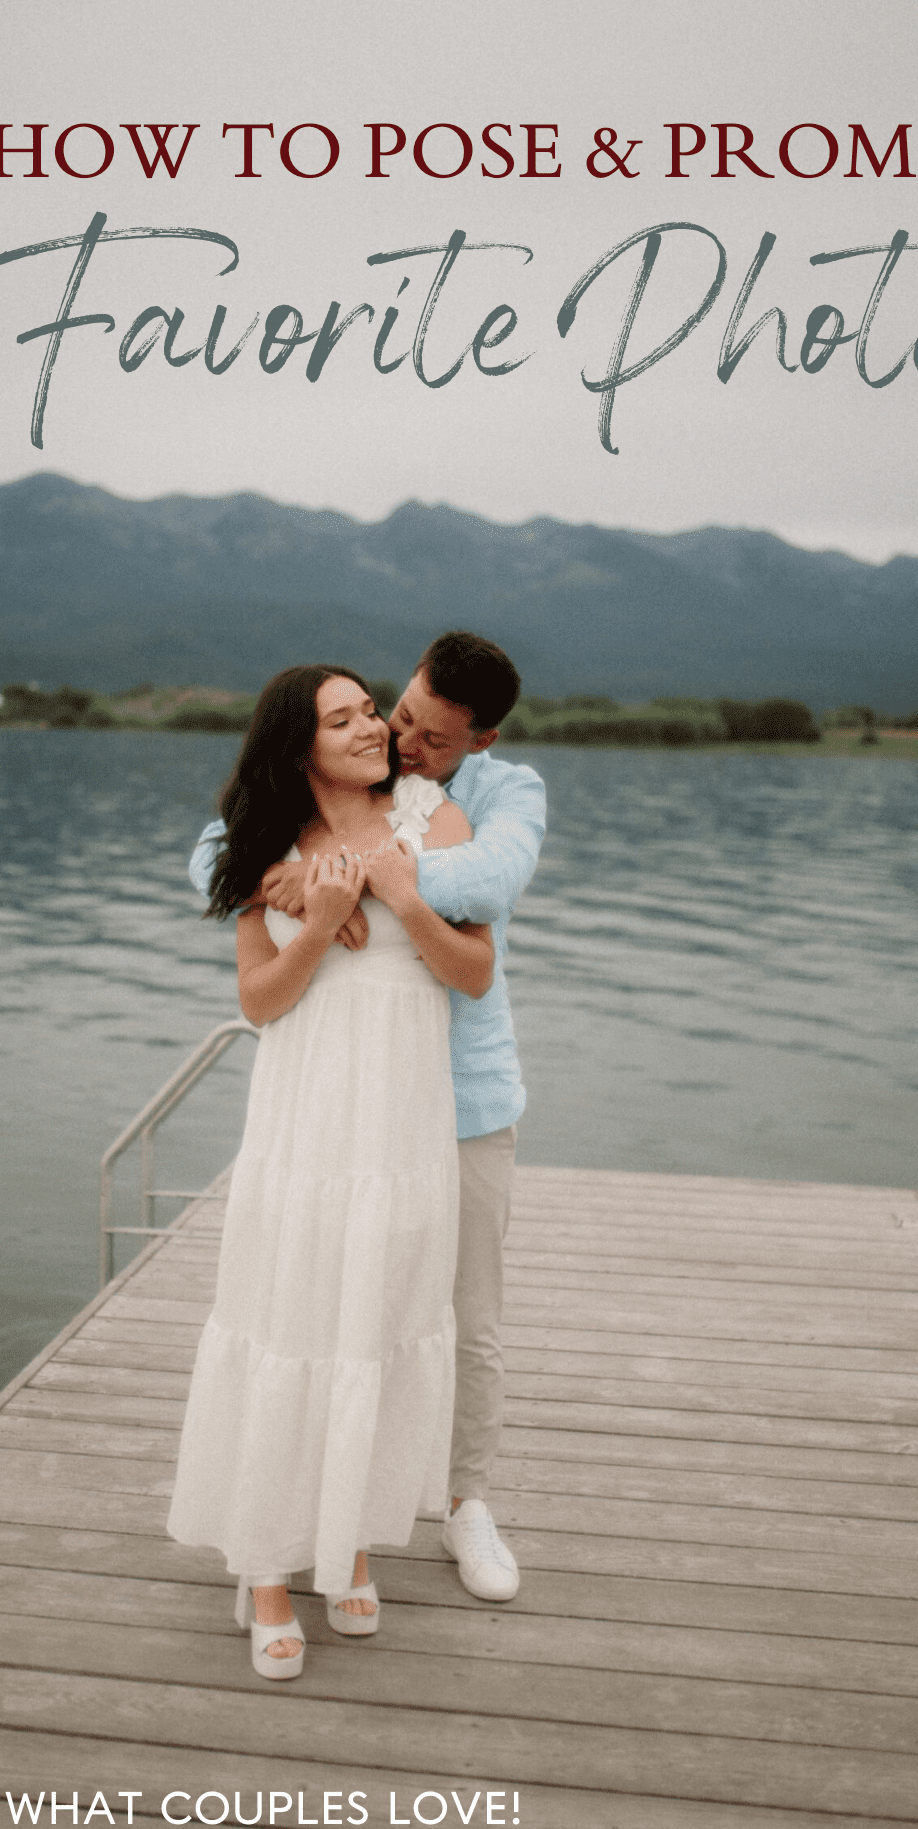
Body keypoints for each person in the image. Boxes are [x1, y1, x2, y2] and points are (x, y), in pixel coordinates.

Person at [189, 633, 546, 1602]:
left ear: (481, 737)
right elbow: (217, 860)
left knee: (454, 1317)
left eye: (429, 735)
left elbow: (493, 890)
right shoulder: (297, 813)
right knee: (307, 1308)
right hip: (328, 1107)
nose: (400, 739)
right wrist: (299, 886)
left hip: (454, 1101)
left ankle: (462, 1505)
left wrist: (385, 885)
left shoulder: (494, 797)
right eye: (396, 715)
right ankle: (282, 1541)